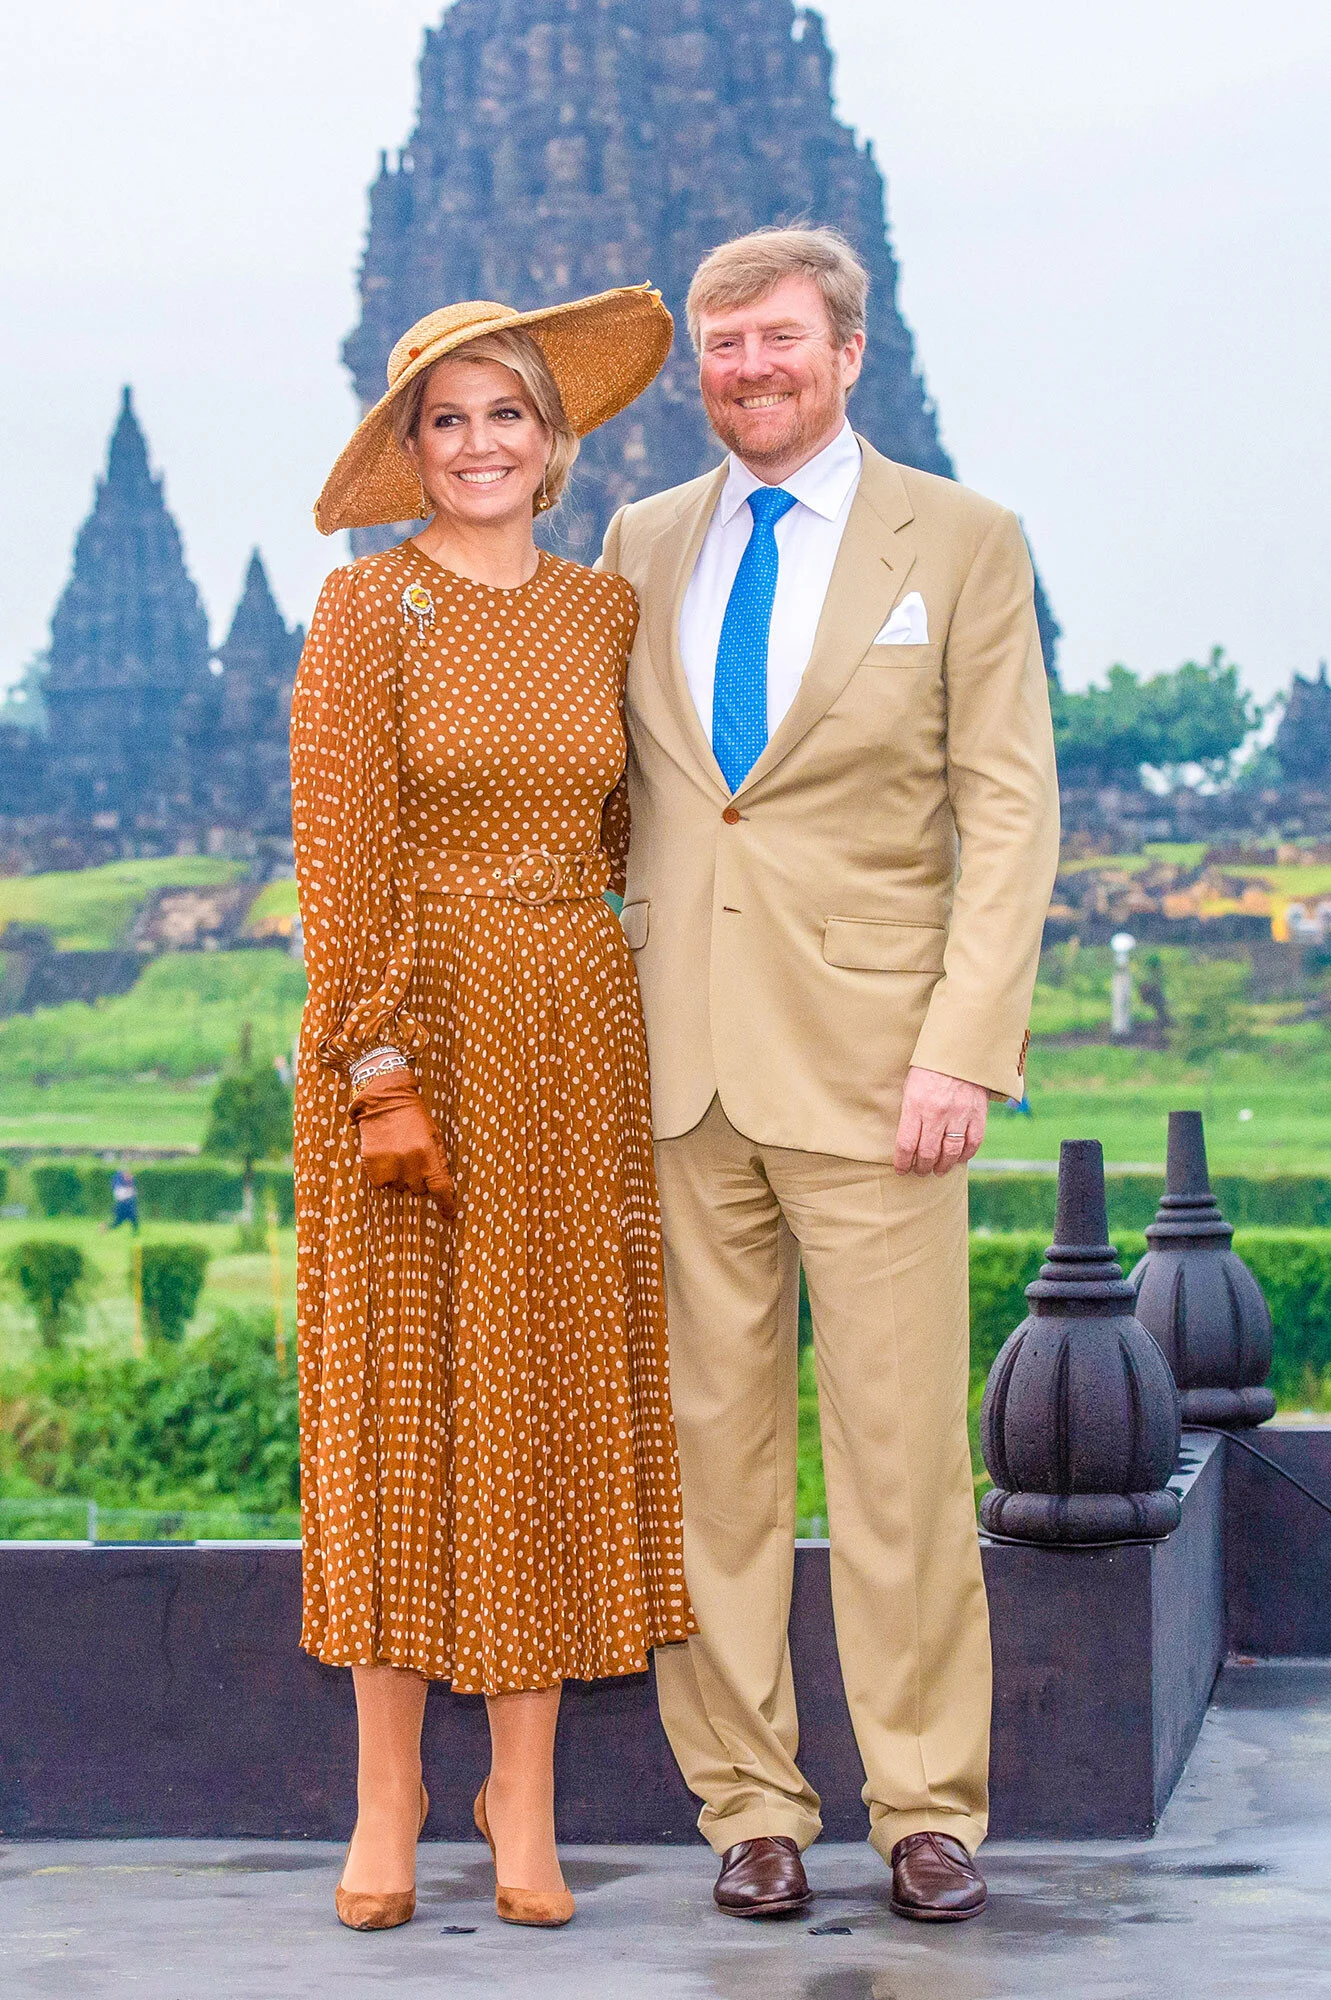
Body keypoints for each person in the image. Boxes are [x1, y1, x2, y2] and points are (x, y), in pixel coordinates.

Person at [599, 227, 1060, 1922]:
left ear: (848, 349)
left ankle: (926, 1797)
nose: (748, 371)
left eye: (778, 342)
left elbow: (1008, 811)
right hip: (680, 1067)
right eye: (721, 349)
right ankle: (748, 1805)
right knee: (707, 1458)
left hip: (884, 1079)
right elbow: (617, 798)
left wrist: (962, 1048)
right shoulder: (642, 542)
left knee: (895, 1454)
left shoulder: (961, 539)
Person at [294, 285, 693, 1936]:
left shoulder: (604, 616)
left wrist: (566, 954)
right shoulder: (363, 609)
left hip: (569, 1031)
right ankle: (387, 1796)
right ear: (409, 447)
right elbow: (339, 855)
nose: (476, 445)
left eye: (504, 415)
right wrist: (376, 1065)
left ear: (555, 440)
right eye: (442, 419)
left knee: (546, 1396)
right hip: (405, 1024)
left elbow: (621, 840)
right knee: (401, 1401)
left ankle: (517, 1797)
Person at [108, 1166, 138, 1232]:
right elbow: (120, 1196)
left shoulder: (130, 1183)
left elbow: (133, 1194)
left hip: (129, 1207)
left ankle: (135, 1233)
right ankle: (105, 1228)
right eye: (128, 1174)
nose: (131, 1176)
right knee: (117, 1223)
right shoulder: (118, 1186)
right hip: (122, 1207)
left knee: (134, 1220)